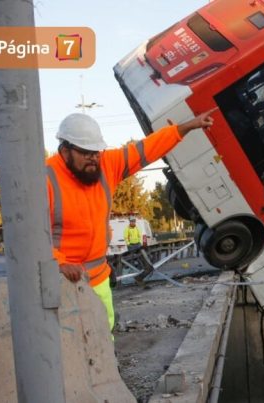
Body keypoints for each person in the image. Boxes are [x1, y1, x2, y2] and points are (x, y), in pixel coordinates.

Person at [46, 111, 213, 332]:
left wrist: (186, 127)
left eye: (96, 152)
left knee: (105, 338)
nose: (93, 159)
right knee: (69, 346)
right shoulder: (45, 179)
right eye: (86, 153)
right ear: (65, 150)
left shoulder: (105, 165)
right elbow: (30, 235)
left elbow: (145, 150)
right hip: (63, 283)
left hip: (98, 279)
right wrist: (58, 262)